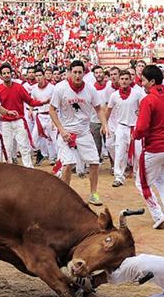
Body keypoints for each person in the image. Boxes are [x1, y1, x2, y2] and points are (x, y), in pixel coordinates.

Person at [49, 60, 105, 205]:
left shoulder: (90, 90)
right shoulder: (60, 88)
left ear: (84, 73)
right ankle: (64, 195)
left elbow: (99, 108)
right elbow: (52, 109)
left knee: (94, 162)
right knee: (68, 164)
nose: (77, 75)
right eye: (75, 72)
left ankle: (93, 194)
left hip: (84, 133)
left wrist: (105, 124)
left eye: (80, 72)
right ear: (69, 72)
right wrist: (61, 130)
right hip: (66, 133)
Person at [133, 64, 164, 228]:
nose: (142, 84)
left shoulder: (148, 100)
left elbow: (141, 128)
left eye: (144, 80)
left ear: (152, 81)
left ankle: (157, 214)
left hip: (155, 147)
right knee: (160, 177)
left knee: (141, 183)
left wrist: (136, 135)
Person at [104, 69, 145, 188]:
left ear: (131, 80)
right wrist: (104, 124)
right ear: (119, 80)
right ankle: (118, 177)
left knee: (138, 153)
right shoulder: (114, 95)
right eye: (122, 79)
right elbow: (109, 110)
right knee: (120, 152)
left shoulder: (138, 93)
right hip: (121, 127)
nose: (124, 81)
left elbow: (144, 108)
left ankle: (138, 176)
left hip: (135, 127)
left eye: (127, 79)